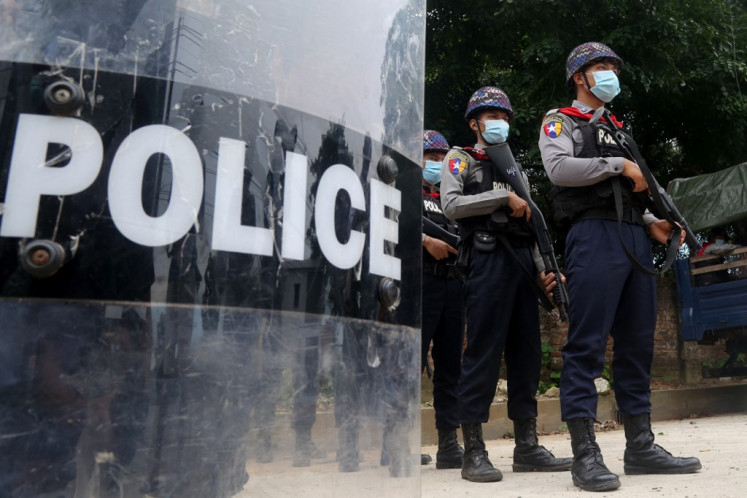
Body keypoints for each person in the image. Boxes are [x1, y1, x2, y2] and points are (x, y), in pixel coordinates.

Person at [538, 42, 702, 492]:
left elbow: (631, 192)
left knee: (637, 343)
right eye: (601, 67)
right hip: (592, 235)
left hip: (631, 236)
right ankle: (585, 454)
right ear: (580, 77)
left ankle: (641, 446)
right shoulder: (561, 121)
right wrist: (618, 165)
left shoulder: (617, 127)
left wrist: (654, 222)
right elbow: (558, 170)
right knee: (586, 344)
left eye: (613, 66)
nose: (610, 73)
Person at [440, 87, 572, 483]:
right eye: (490, 114)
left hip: (520, 268)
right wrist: (500, 198)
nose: (499, 121)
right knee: (481, 354)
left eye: (504, 115)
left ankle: (527, 445)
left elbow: (532, 228)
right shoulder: (460, 158)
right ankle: (474, 451)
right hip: (485, 261)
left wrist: (545, 271)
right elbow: (451, 205)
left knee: (527, 355)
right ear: (474, 122)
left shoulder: (517, 169)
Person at [420, 130, 465, 469]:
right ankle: (397, 444)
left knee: (450, 368)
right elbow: (385, 220)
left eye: (440, 158)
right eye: (430, 157)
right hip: (420, 283)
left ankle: (449, 444)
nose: (436, 164)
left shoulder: (452, 197)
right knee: (407, 367)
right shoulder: (403, 191)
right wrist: (423, 240)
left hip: (453, 286)